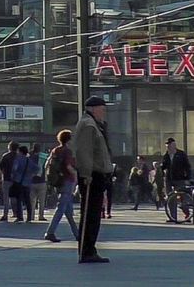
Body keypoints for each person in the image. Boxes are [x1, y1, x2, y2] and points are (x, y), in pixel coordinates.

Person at [74, 95, 113, 264]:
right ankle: (86, 250)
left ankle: (90, 249)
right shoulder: (88, 125)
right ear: (93, 109)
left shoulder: (95, 125)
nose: (104, 112)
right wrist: (86, 174)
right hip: (92, 175)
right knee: (90, 214)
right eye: (102, 109)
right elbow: (84, 152)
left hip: (98, 174)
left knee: (94, 214)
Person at [42, 129, 79, 243]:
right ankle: (50, 232)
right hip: (67, 180)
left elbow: (46, 164)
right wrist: (76, 176)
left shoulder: (55, 150)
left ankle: (78, 234)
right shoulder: (67, 151)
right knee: (62, 207)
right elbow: (68, 166)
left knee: (68, 210)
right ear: (69, 139)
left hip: (58, 181)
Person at [0, 141, 20, 222]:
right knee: (15, 197)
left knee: (6, 198)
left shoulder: (5, 156)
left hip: (6, 179)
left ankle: (5, 215)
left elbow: (1, 168)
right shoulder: (19, 156)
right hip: (17, 180)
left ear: (9, 147)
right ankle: (16, 213)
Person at [10, 145, 35, 222]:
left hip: (18, 182)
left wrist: (13, 177)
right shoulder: (29, 160)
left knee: (19, 200)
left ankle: (20, 217)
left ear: (20, 152)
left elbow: (14, 169)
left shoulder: (18, 160)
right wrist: (30, 175)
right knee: (28, 200)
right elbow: (37, 168)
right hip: (27, 183)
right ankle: (29, 217)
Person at [29, 147, 47, 221]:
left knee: (32, 200)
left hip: (32, 181)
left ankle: (31, 215)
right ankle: (41, 216)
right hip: (42, 181)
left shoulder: (30, 158)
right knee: (42, 201)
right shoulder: (44, 157)